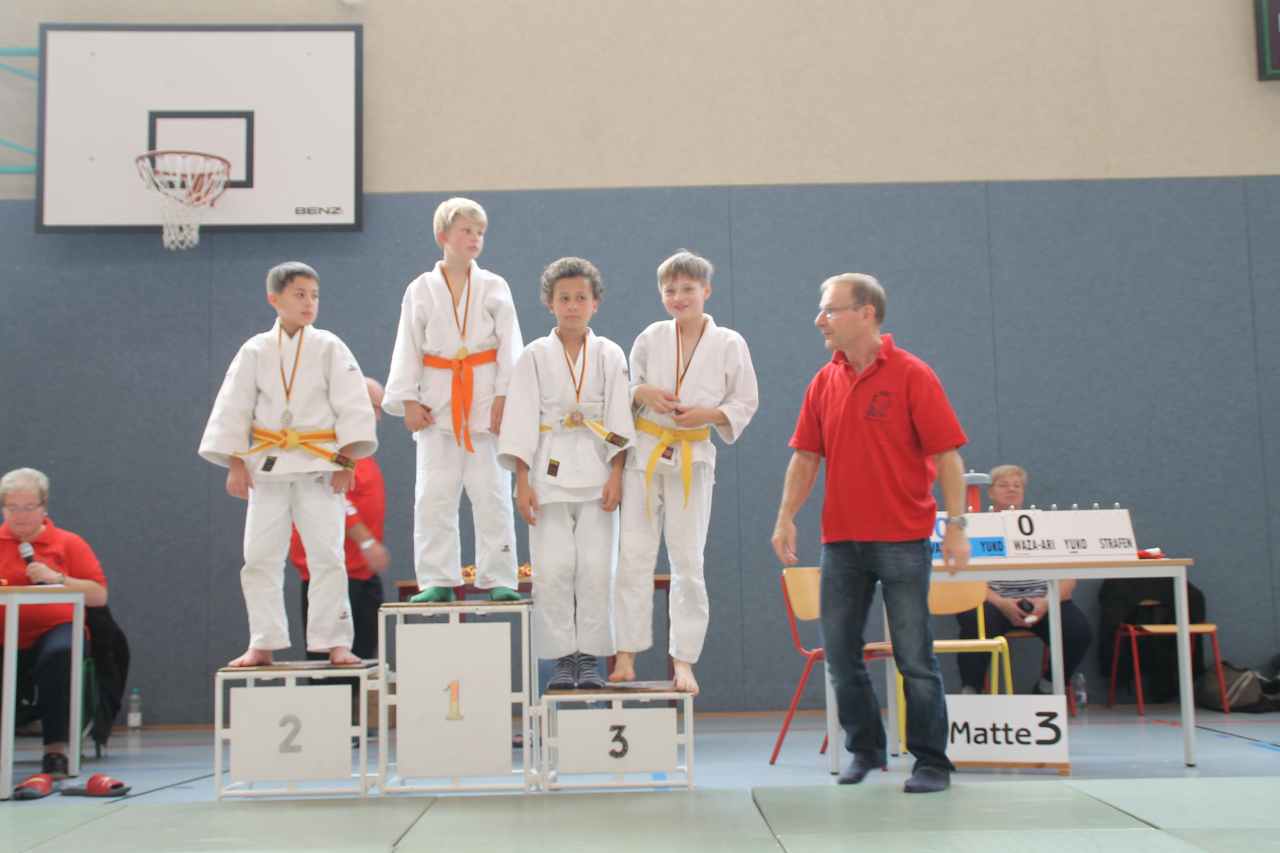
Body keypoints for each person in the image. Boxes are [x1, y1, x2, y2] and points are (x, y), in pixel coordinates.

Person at [771, 273, 968, 794]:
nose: (820, 320)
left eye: (831, 310)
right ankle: (866, 750)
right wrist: (785, 516)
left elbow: (948, 457)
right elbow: (805, 457)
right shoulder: (824, 381)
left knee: (914, 658)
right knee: (840, 655)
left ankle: (931, 762)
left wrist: (956, 526)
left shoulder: (913, 375)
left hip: (903, 539)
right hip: (841, 543)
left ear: (867, 313)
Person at [199, 261, 378, 668]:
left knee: (327, 556)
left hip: (320, 465)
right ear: (274, 299)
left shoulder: (330, 347)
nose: (309, 303)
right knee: (259, 556)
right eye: (299, 295)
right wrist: (235, 463)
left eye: (314, 296)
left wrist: (347, 460)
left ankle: (335, 641)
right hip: (268, 467)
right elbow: (233, 407)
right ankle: (262, 641)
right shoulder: (255, 350)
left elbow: (352, 404)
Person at [611, 250, 758, 695]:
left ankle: (684, 660)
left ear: (706, 291)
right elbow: (624, 386)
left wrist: (708, 414)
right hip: (645, 453)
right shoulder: (650, 337)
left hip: (693, 456)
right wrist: (642, 392)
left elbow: (745, 401)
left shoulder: (729, 343)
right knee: (633, 556)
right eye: (670, 290)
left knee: (688, 562)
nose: (678, 297)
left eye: (688, 289)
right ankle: (625, 653)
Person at [498, 257, 633, 690]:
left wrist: (617, 475)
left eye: (580, 298)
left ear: (595, 303)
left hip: (598, 470)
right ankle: (561, 659)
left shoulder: (610, 354)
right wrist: (521, 481)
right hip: (547, 471)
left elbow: (619, 417)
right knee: (552, 568)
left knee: (596, 568)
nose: (572, 306)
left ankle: (589, 658)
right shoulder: (534, 356)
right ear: (549, 303)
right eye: (564, 298)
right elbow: (520, 420)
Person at [384, 197, 523, 604]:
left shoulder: (495, 286)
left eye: (480, 232)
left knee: (492, 494)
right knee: (433, 497)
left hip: (484, 401)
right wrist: (407, 400)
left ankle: (499, 576)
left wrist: (505, 396)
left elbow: (510, 345)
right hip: (436, 404)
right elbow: (408, 345)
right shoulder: (420, 289)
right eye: (466, 230)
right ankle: (437, 578)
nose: (475, 238)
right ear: (442, 235)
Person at [0, 467, 109, 780]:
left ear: (44, 506)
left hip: (55, 628)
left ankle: (56, 751)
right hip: (6, 631)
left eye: (28, 507)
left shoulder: (68, 543)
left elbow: (98, 595)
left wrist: (58, 578)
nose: (20, 516)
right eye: (12, 508)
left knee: (60, 654)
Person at [956, 464, 1093, 694]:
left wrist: (1046, 603)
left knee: (1078, 631)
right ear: (990, 492)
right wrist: (1001, 603)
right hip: (994, 601)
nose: (1011, 489)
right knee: (975, 622)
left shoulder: (1044, 526)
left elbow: (1069, 577)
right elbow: (965, 579)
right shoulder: (975, 526)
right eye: (1003, 485)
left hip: (1041, 601)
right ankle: (971, 690)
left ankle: (1048, 686)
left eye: (1017, 485)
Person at [290, 378, 390, 665]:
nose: (378, 418)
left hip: (361, 574)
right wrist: (367, 542)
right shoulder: (331, 450)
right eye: (375, 408)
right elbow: (336, 501)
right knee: (330, 665)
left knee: (364, 660)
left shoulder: (360, 453)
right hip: (335, 576)